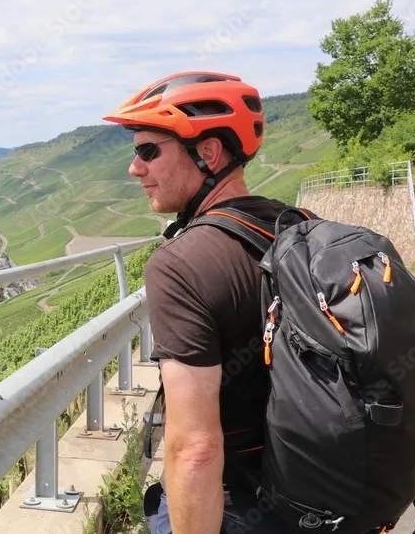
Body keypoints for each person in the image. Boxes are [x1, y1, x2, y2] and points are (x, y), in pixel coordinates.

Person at [102, 71, 293, 534]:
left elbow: (196, 450)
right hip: (317, 499)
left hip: (235, 509)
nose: (135, 168)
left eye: (148, 150)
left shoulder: (180, 264)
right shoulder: (297, 228)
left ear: (208, 152)